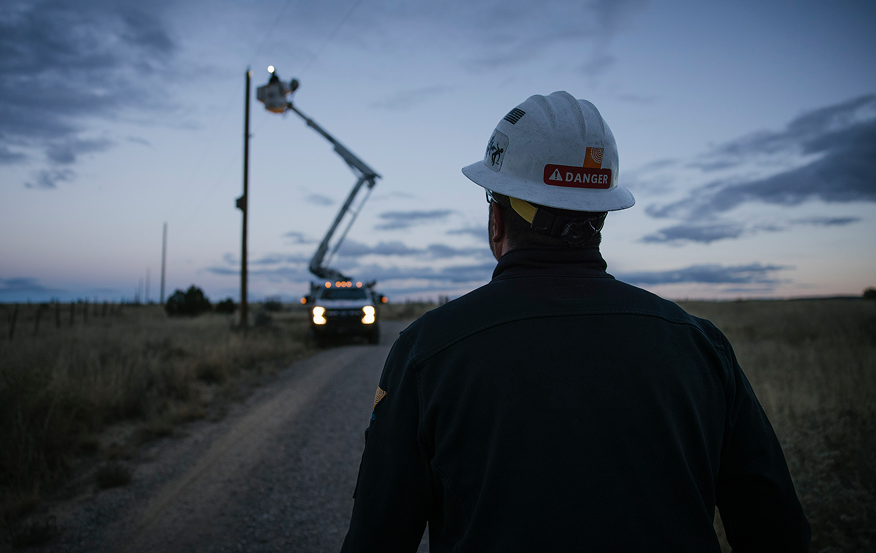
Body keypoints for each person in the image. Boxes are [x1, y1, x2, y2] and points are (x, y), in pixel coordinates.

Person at [341, 92, 810, 552]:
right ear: (601, 213)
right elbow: (776, 532)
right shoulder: (701, 346)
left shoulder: (429, 351)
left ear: (496, 218)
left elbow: (377, 537)